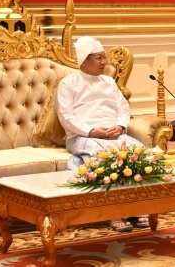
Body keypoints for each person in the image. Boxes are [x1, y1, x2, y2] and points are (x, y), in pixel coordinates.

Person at [57, 36, 150, 233]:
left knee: (139, 152)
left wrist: (120, 127)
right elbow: (66, 118)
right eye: (99, 58)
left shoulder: (108, 82)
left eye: (104, 57)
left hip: (113, 134)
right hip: (82, 136)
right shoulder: (68, 83)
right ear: (84, 60)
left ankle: (136, 207)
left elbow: (123, 109)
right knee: (108, 157)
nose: (104, 62)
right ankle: (112, 212)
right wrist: (92, 132)